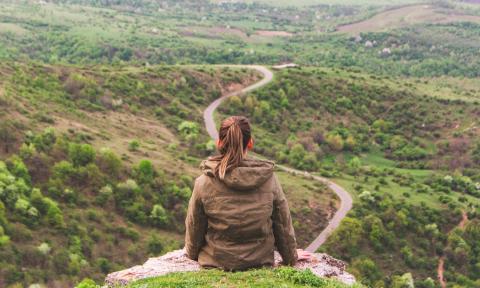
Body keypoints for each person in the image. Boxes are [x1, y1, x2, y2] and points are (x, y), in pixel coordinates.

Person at [185, 115, 311, 271]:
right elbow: (282, 224)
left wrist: (191, 253)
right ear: (250, 143)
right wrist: (291, 257)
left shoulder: (203, 182)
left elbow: (195, 225)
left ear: (219, 143)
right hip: (259, 262)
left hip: (216, 262)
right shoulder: (268, 179)